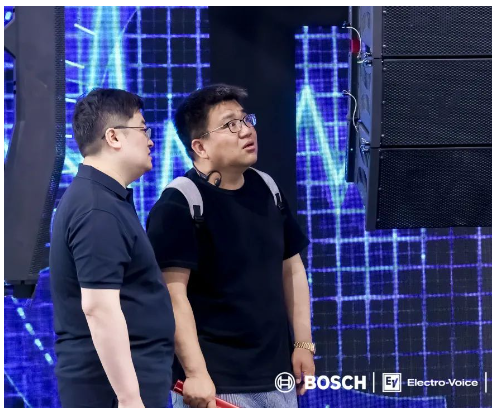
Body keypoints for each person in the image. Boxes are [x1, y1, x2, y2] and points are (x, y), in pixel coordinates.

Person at [146, 84, 315, 408]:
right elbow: (172, 297)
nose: (246, 130)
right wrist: (196, 373)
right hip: (217, 386)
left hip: (279, 380)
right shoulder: (179, 203)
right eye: (230, 124)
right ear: (200, 147)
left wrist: (303, 344)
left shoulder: (267, 188)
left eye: (246, 120)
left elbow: (292, 269)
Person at [49, 88, 175, 408]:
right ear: (114, 137)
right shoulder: (97, 208)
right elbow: (99, 308)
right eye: (143, 129)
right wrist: (129, 398)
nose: (150, 140)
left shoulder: (104, 199)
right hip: (111, 391)